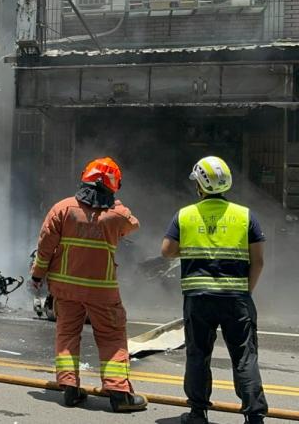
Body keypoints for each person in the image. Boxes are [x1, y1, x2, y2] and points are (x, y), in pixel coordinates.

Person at [30, 157, 147, 413]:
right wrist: (112, 205)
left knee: (67, 334)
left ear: (84, 177)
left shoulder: (62, 209)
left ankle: (70, 388)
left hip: (65, 288)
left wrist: (38, 275)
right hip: (101, 290)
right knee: (112, 336)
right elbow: (133, 225)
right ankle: (119, 393)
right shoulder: (117, 215)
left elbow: (45, 247)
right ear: (114, 184)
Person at [161, 156, 267, 424]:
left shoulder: (184, 215)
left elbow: (167, 251)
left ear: (200, 184)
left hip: (198, 299)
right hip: (236, 298)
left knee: (198, 354)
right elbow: (259, 261)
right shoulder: (245, 216)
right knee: (244, 356)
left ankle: (198, 413)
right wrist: (246, 291)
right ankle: (254, 416)